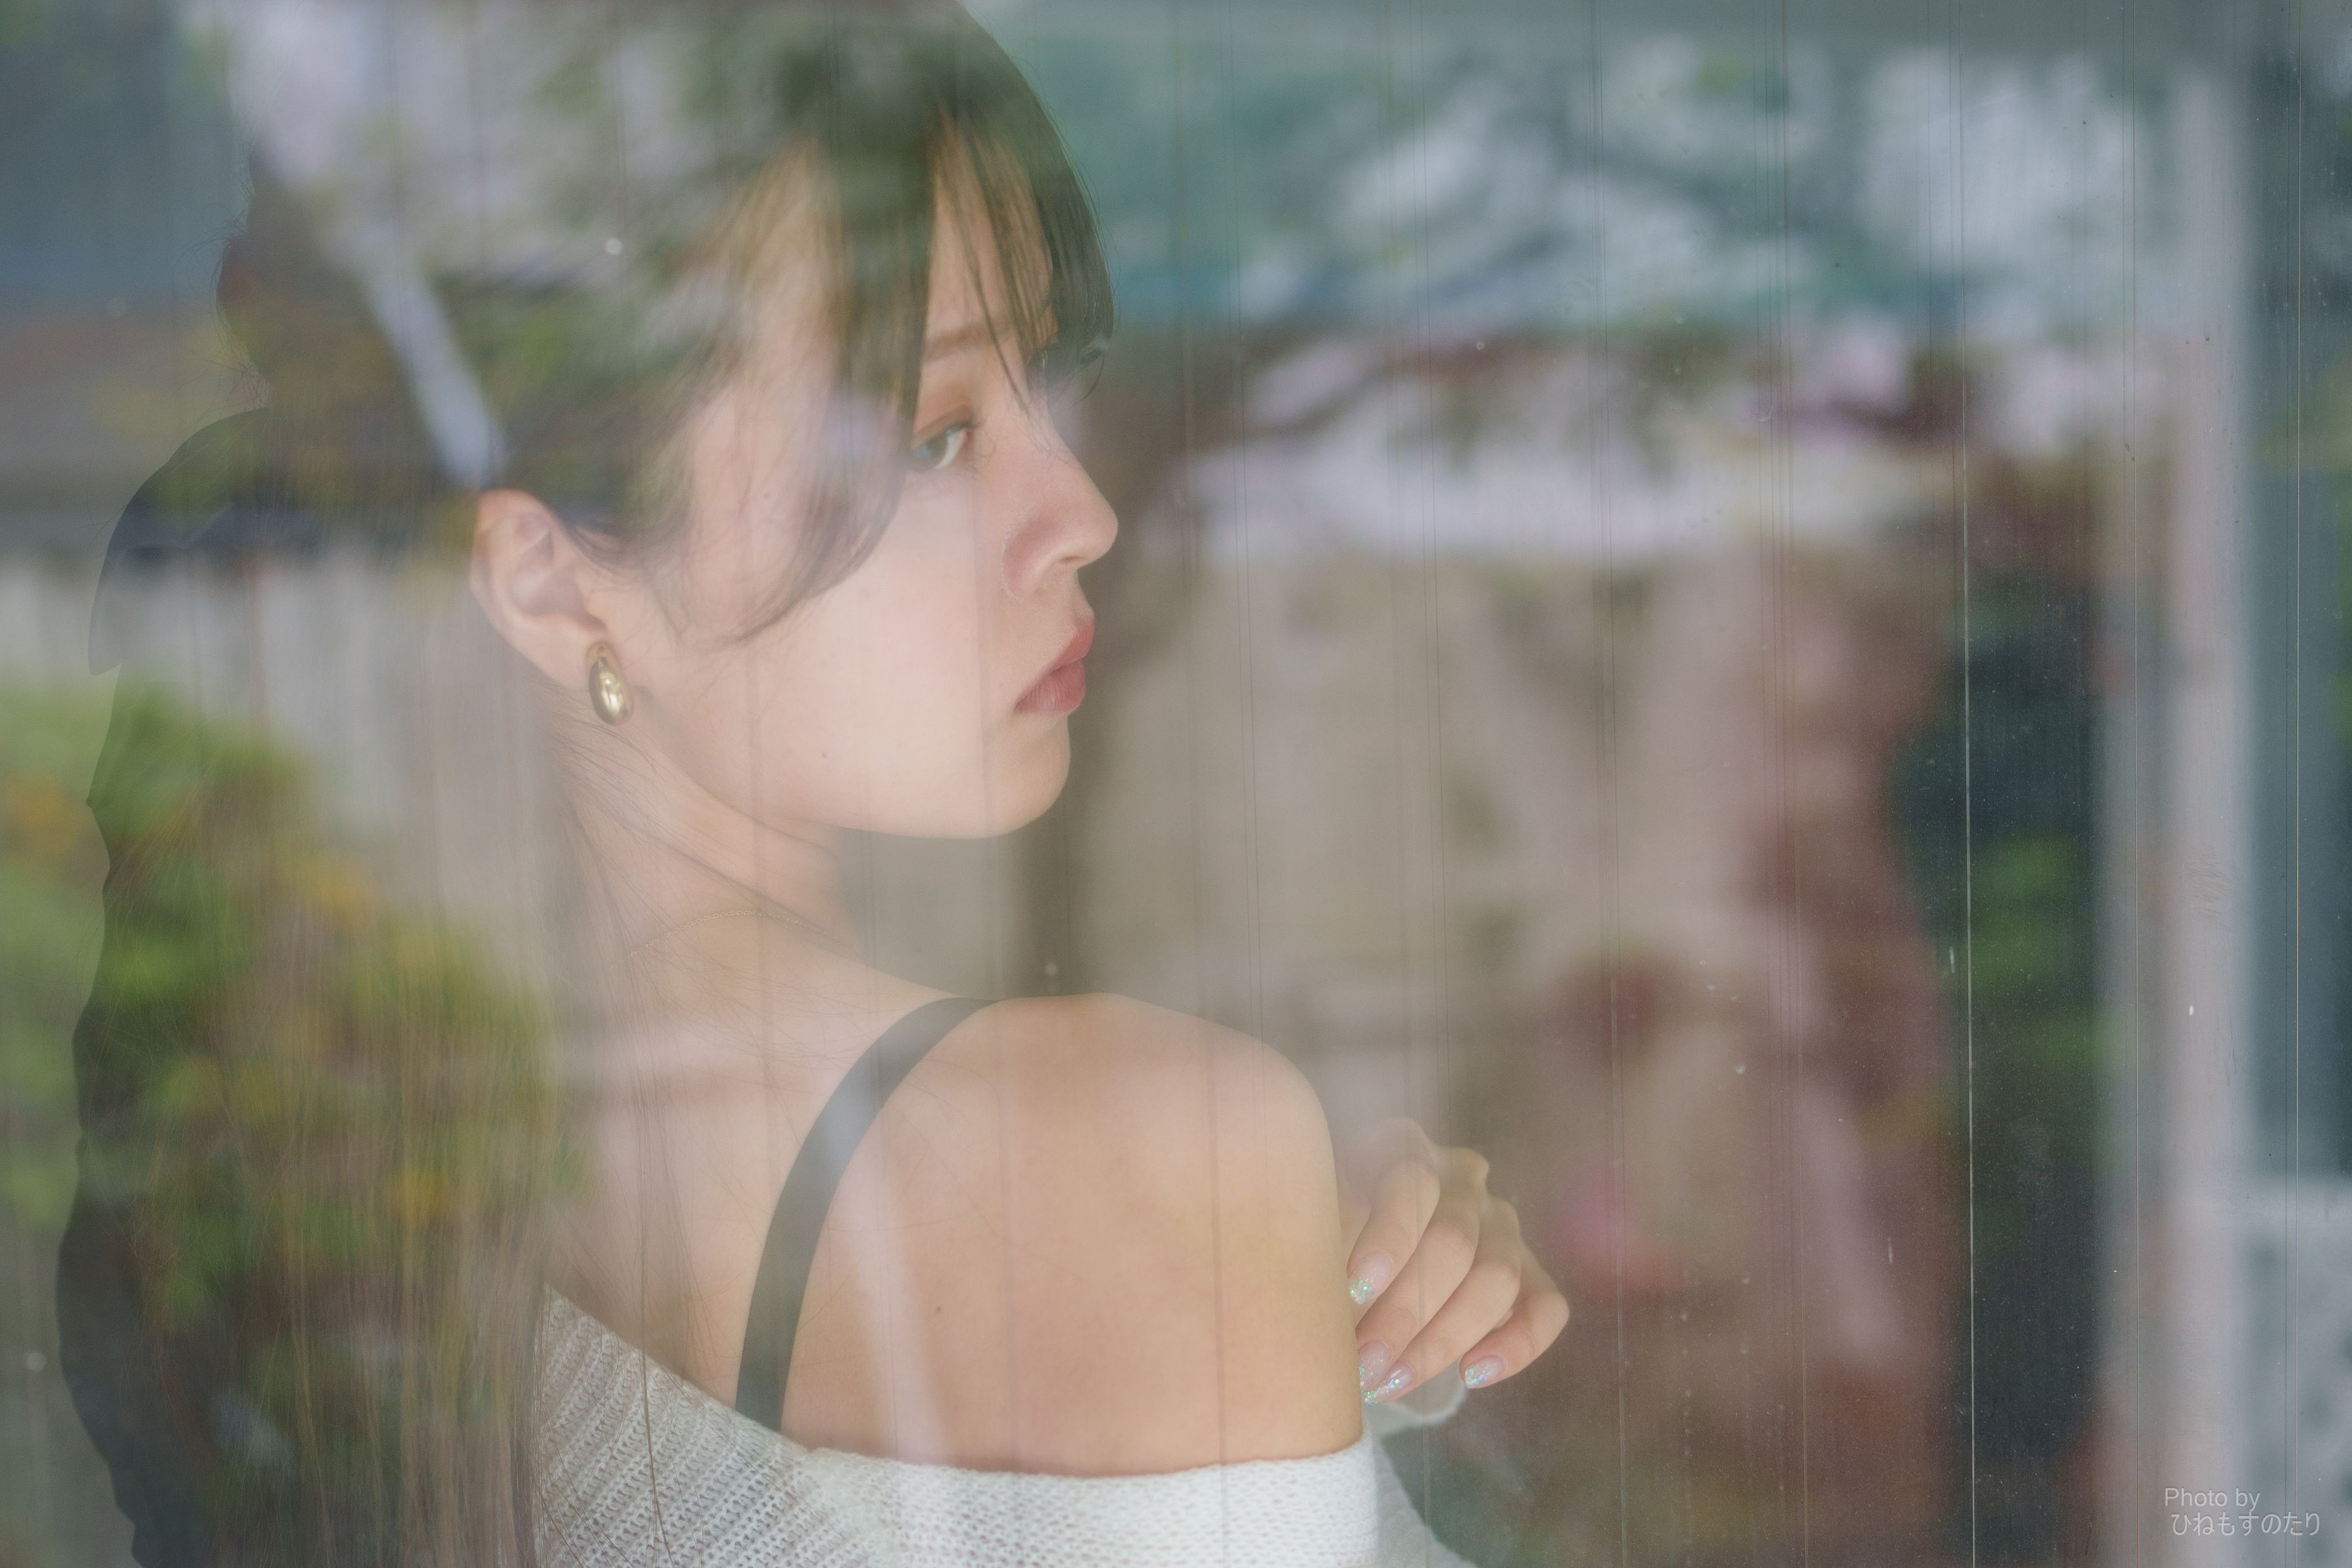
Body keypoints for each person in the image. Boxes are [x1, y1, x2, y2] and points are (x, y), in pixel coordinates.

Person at [59, 3, 1566, 1563]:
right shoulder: (1118, 1156)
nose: (1079, 511)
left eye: (1049, 379)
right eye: (932, 436)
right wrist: (1221, 1213)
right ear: (555, 585)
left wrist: (1315, 1306)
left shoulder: (405, 1188)